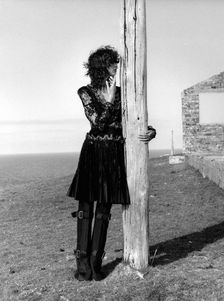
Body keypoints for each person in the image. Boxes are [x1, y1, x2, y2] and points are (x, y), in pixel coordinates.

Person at [67, 45, 156, 281]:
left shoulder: (123, 92)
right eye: (112, 64)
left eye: (117, 64)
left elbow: (136, 118)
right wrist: (108, 99)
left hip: (113, 156)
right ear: (101, 67)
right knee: (85, 210)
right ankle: (82, 267)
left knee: (104, 211)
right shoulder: (85, 91)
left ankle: (96, 267)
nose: (117, 68)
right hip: (93, 153)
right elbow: (97, 122)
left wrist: (150, 131)